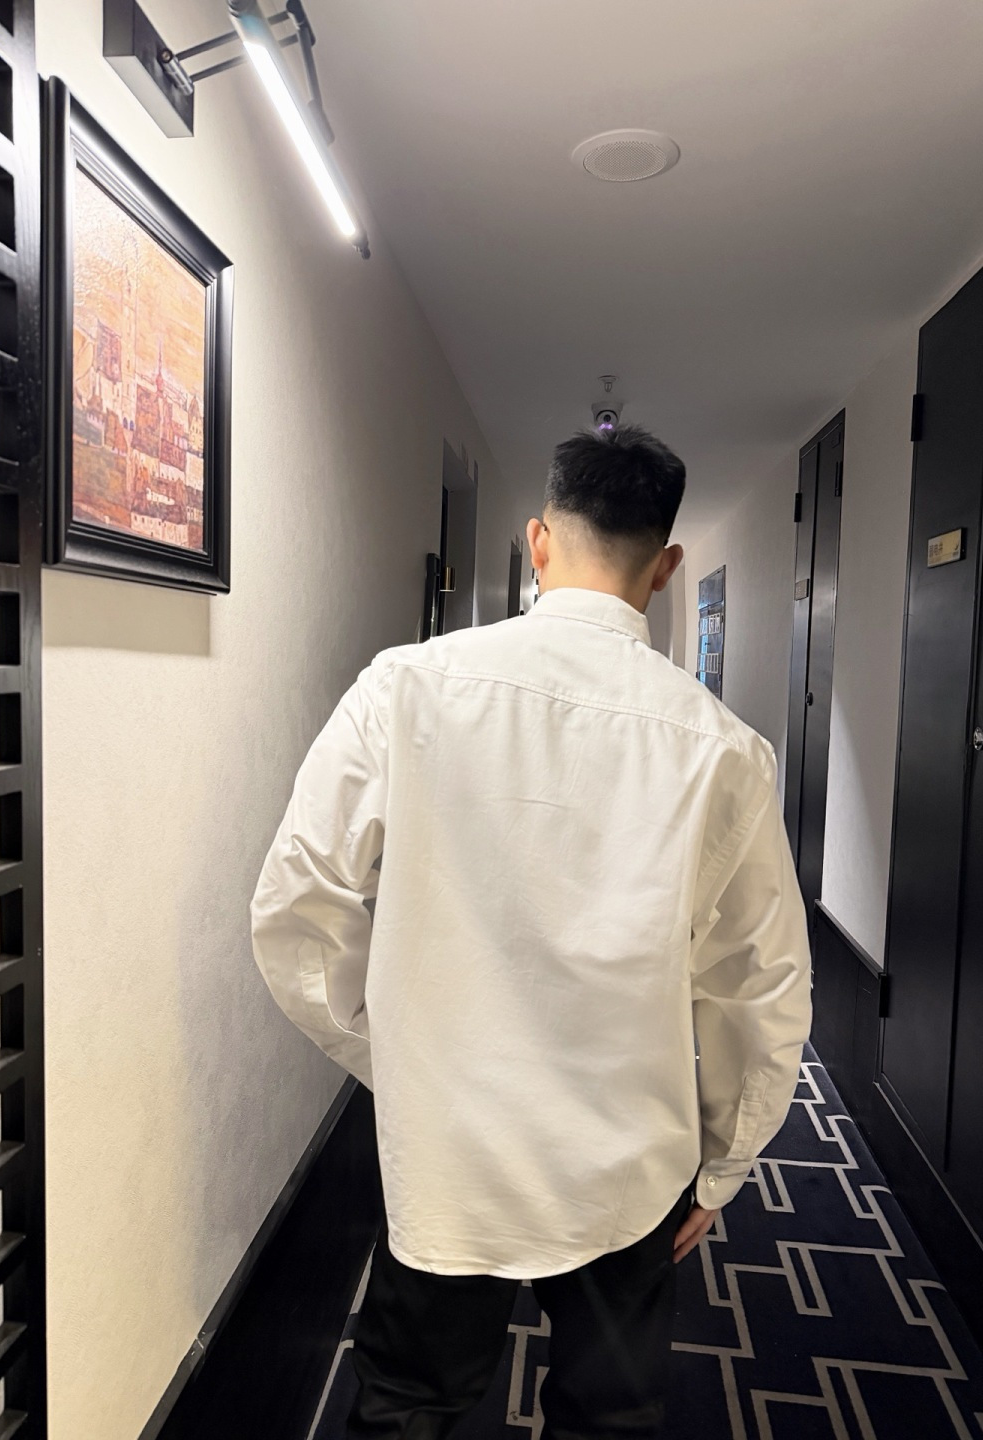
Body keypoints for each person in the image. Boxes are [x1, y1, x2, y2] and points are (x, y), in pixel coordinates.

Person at [251, 424, 812, 1439]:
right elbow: (760, 988)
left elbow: (296, 908)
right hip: (630, 1163)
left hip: (450, 1149)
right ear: (666, 567)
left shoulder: (405, 686)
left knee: (406, 1408)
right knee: (608, 1419)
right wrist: (725, 1164)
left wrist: (387, 1055)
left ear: (538, 541)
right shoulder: (726, 751)